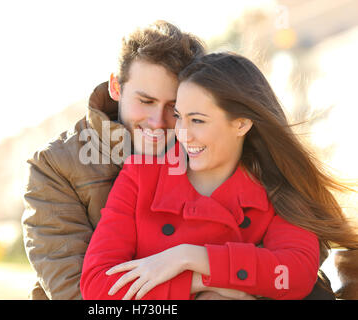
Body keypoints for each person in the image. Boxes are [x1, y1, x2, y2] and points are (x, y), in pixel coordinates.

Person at [80, 52, 358, 300]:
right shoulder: (141, 176)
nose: (182, 134)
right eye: (179, 117)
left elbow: (294, 275)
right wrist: (200, 282)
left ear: (241, 123)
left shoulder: (278, 188)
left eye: (198, 120)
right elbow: (98, 286)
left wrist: (189, 256)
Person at [21, 20, 207, 300]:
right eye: (145, 101)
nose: (157, 122)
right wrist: (198, 284)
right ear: (116, 87)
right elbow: (78, 294)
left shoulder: (209, 153)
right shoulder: (55, 166)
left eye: (173, 107)